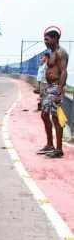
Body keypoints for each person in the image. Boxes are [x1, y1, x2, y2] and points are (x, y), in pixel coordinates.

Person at [37, 29, 69, 158]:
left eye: (47, 39)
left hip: (57, 87)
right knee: (45, 115)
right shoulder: (51, 53)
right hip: (50, 87)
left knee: (55, 118)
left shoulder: (61, 53)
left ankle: (59, 149)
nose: (45, 42)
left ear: (55, 38)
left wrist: (59, 92)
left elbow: (64, 72)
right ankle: (50, 145)